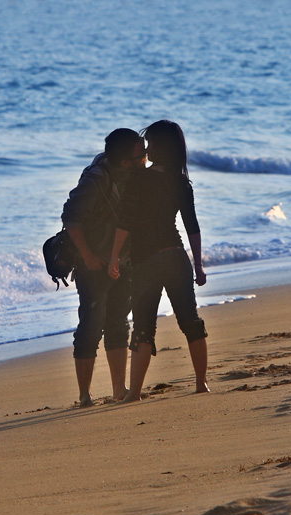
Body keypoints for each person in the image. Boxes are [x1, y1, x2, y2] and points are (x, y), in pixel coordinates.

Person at [107, 120, 208, 402]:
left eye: (150, 143)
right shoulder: (180, 180)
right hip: (176, 257)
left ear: (160, 147)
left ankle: (134, 393)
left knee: (143, 329)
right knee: (191, 321)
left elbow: (125, 222)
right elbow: (192, 226)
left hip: (145, 262)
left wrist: (114, 256)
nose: (147, 148)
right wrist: (198, 265)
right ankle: (201, 384)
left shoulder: (138, 179)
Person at [62, 128, 146, 407]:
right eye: (141, 154)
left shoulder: (135, 174)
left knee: (118, 323)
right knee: (91, 325)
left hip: (123, 261)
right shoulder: (95, 180)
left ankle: (118, 390)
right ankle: (84, 395)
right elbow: (70, 218)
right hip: (93, 263)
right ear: (124, 161)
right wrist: (87, 256)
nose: (147, 156)